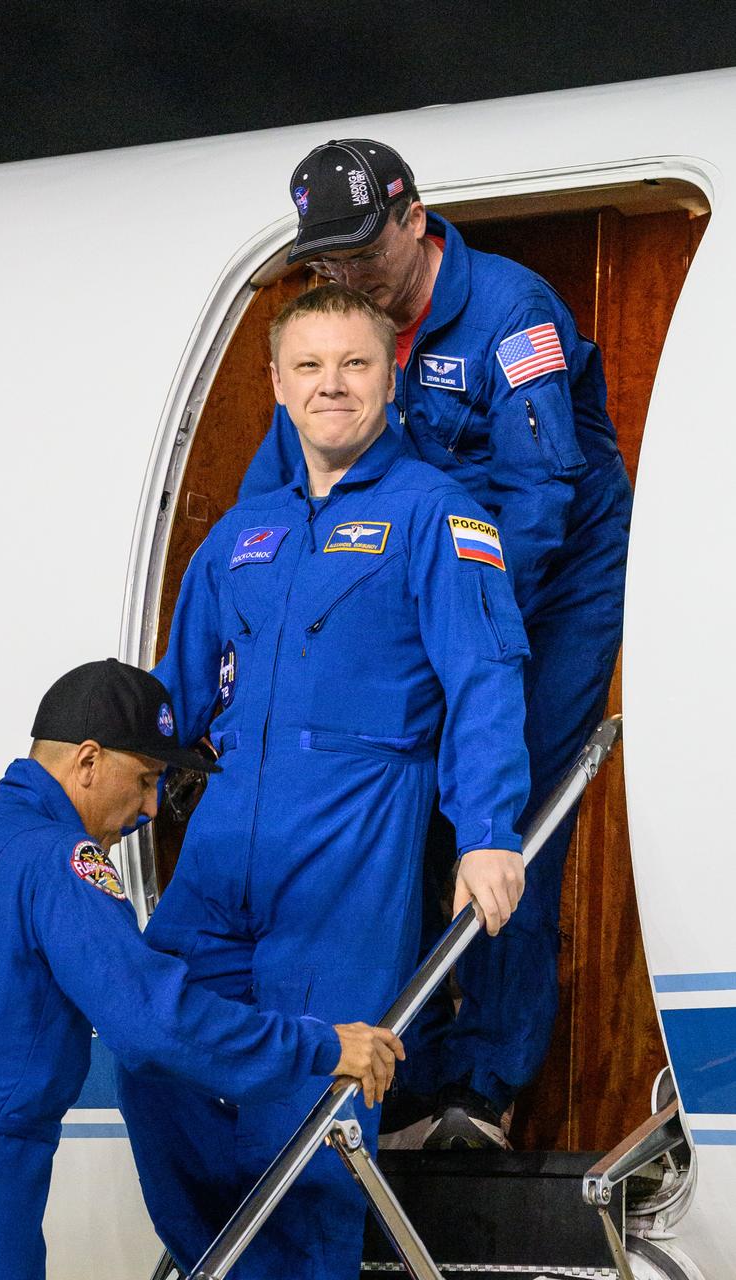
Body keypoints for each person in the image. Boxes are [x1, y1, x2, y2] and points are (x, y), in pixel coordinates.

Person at [118, 285, 530, 1280]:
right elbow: (170, 701)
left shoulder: (440, 517)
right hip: (219, 855)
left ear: (390, 377)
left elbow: (483, 676)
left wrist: (486, 828)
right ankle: (219, 1260)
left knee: (307, 1106)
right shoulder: (239, 538)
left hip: (345, 856)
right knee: (148, 1050)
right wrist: (82, 816)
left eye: (353, 364)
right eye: (309, 366)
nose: (330, 385)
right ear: (276, 384)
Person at [241, 139, 633, 1150]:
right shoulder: (347, 343)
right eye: (325, 262)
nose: (346, 276)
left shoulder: (511, 314)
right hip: (434, 586)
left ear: (414, 218)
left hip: (546, 586)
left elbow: (540, 502)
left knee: (504, 807)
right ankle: (407, 1067)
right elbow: (276, 489)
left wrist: (465, 648)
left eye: (362, 248)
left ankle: (481, 1086)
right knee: (395, 803)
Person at [0, 658, 402, 1280]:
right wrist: (321, 1045)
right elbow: (155, 1024)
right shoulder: (59, 861)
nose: (154, 807)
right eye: (147, 777)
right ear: (88, 762)